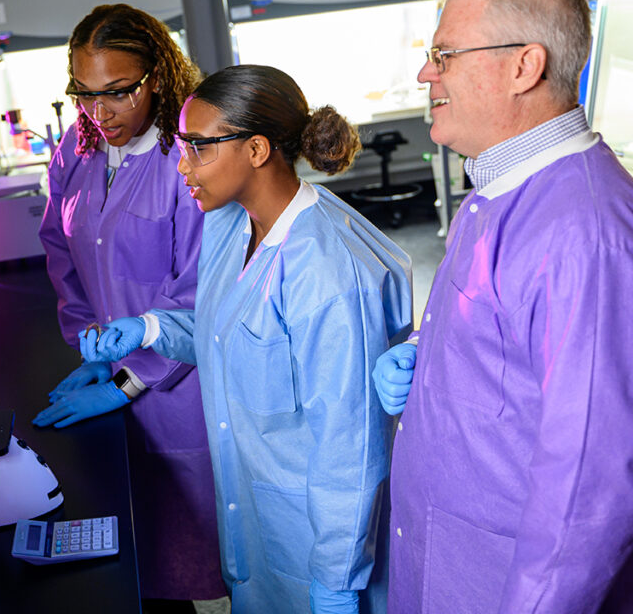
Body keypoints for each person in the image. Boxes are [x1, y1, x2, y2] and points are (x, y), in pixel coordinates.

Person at [373, 0, 633, 614]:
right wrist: (430, 356)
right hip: (452, 567)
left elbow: (590, 494)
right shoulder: (499, 192)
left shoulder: (590, 237)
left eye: (444, 55)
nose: (425, 76)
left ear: (524, 66)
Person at [80, 65, 414, 614]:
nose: (183, 167)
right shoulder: (232, 224)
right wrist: (151, 328)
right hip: (260, 526)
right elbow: (231, 336)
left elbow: (350, 449)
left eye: (198, 148)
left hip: (321, 544)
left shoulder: (325, 272)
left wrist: (336, 582)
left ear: (257, 149)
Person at [34, 4, 224, 610]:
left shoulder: (186, 160)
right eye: (84, 94)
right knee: (126, 570)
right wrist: (88, 344)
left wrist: (127, 382)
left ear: (158, 78)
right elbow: (60, 247)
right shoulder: (78, 145)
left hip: (177, 394)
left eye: (117, 92)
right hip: (108, 374)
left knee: (178, 565)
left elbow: (197, 293)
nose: (99, 112)